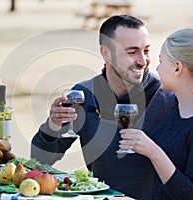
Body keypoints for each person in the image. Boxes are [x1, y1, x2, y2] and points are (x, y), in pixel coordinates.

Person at [31, 14, 176, 199]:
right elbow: (40, 160)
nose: (142, 60)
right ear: (106, 53)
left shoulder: (167, 99)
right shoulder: (84, 95)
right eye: (132, 52)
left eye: (146, 51)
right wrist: (52, 127)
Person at [119, 28, 193, 199]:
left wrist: (153, 151)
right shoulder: (175, 108)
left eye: (161, 61)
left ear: (177, 68)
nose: (157, 68)